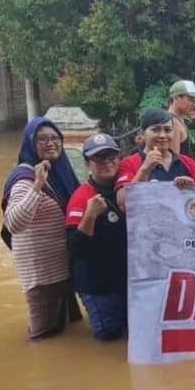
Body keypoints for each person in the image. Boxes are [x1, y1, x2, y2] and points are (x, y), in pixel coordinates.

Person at [1, 117, 82, 339]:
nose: (50, 143)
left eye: (55, 138)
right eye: (42, 139)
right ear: (30, 143)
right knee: (42, 337)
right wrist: (37, 185)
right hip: (42, 275)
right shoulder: (24, 178)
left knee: (70, 329)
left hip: (64, 267)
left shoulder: (61, 170)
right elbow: (14, 223)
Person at [65, 134, 128, 341]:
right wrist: (90, 215)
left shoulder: (126, 190)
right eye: (99, 158)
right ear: (87, 164)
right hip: (97, 285)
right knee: (109, 336)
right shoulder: (82, 197)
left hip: (124, 280)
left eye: (111, 157)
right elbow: (75, 248)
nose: (107, 162)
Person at [116, 108, 195, 209]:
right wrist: (145, 169)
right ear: (142, 134)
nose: (162, 135)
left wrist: (190, 189)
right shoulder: (128, 163)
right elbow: (122, 204)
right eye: (155, 130)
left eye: (168, 130)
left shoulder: (187, 162)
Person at [167, 79, 195, 155]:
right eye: (190, 99)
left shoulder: (178, 119)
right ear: (176, 98)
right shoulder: (172, 122)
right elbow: (174, 159)